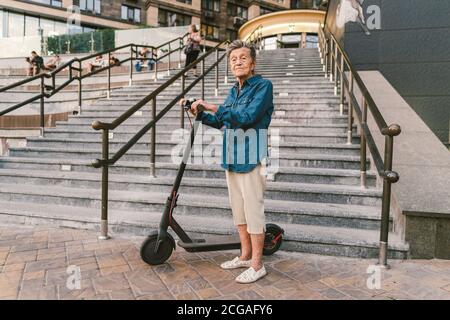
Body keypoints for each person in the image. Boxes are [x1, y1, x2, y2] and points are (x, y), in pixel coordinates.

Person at [188, 40, 274, 284]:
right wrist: (201, 114)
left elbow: (247, 117)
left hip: (251, 157)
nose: (237, 61)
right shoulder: (233, 91)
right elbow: (223, 121)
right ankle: (245, 255)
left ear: (253, 63)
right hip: (231, 158)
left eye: (242, 57)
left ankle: (258, 265)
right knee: (238, 210)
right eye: (233, 59)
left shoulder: (263, 87)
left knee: (253, 211)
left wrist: (213, 106)